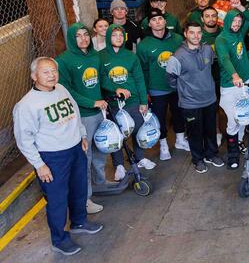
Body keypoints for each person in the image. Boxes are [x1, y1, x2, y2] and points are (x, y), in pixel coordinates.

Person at [13, 57, 103, 256]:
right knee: (57, 199)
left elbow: (75, 112)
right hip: (52, 157)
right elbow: (24, 139)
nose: (52, 75)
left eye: (54, 70)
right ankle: (59, 239)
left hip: (75, 149)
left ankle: (79, 222)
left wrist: (82, 135)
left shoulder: (61, 88)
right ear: (34, 76)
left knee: (79, 188)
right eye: (46, 72)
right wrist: (39, 165)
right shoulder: (27, 105)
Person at [56, 24, 106, 215]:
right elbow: (66, 92)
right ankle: (85, 199)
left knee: (100, 149)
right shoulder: (64, 61)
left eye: (86, 34)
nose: (83, 39)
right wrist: (91, 101)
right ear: (71, 39)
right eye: (78, 36)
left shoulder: (94, 56)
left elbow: (101, 81)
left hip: (99, 111)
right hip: (82, 116)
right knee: (85, 158)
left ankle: (101, 182)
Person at [166, 22, 223, 174]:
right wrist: (184, 91)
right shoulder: (177, 56)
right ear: (185, 34)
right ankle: (198, 159)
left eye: (199, 32)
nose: (196, 36)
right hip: (190, 103)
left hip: (209, 99)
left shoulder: (207, 50)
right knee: (194, 133)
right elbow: (171, 78)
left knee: (210, 130)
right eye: (192, 33)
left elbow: (210, 67)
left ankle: (212, 154)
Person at [99, 24, 155, 179]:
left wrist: (143, 101)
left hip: (133, 101)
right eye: (114, 35)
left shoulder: (131, 55)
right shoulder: (101, 56)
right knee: (117, 135)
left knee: (138, 130)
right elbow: (101, 79)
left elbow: (139, 79)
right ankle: (119, 165)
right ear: (108, 37)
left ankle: (139, 157)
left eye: (121, 35)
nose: (118, 38)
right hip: (114, 104)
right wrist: (115, 88)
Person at [215, 0, 249, 169]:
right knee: (233, 119)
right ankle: (232, 152)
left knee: (244, 116)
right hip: (230, 84)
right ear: (227, 21)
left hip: (246, 80)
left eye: (239, 21)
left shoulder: (239, 34)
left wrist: (239, 6)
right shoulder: (221, 39)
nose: (237, 24)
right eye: (233, 20)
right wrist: (234, 75)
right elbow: (225, 58)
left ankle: (240, 142)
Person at [136, 8, 185, 161]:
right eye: (154, 20)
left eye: (160, 19)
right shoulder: (144, 45)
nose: (157, 22)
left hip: (177, 85)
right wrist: (144, 92)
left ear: (165, 21)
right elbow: (142, 70)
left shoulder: (177, 39)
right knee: (160, 118)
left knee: (179, 113)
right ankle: (163, 145)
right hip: (157, 88)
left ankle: (180, 140)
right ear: (149, 24)